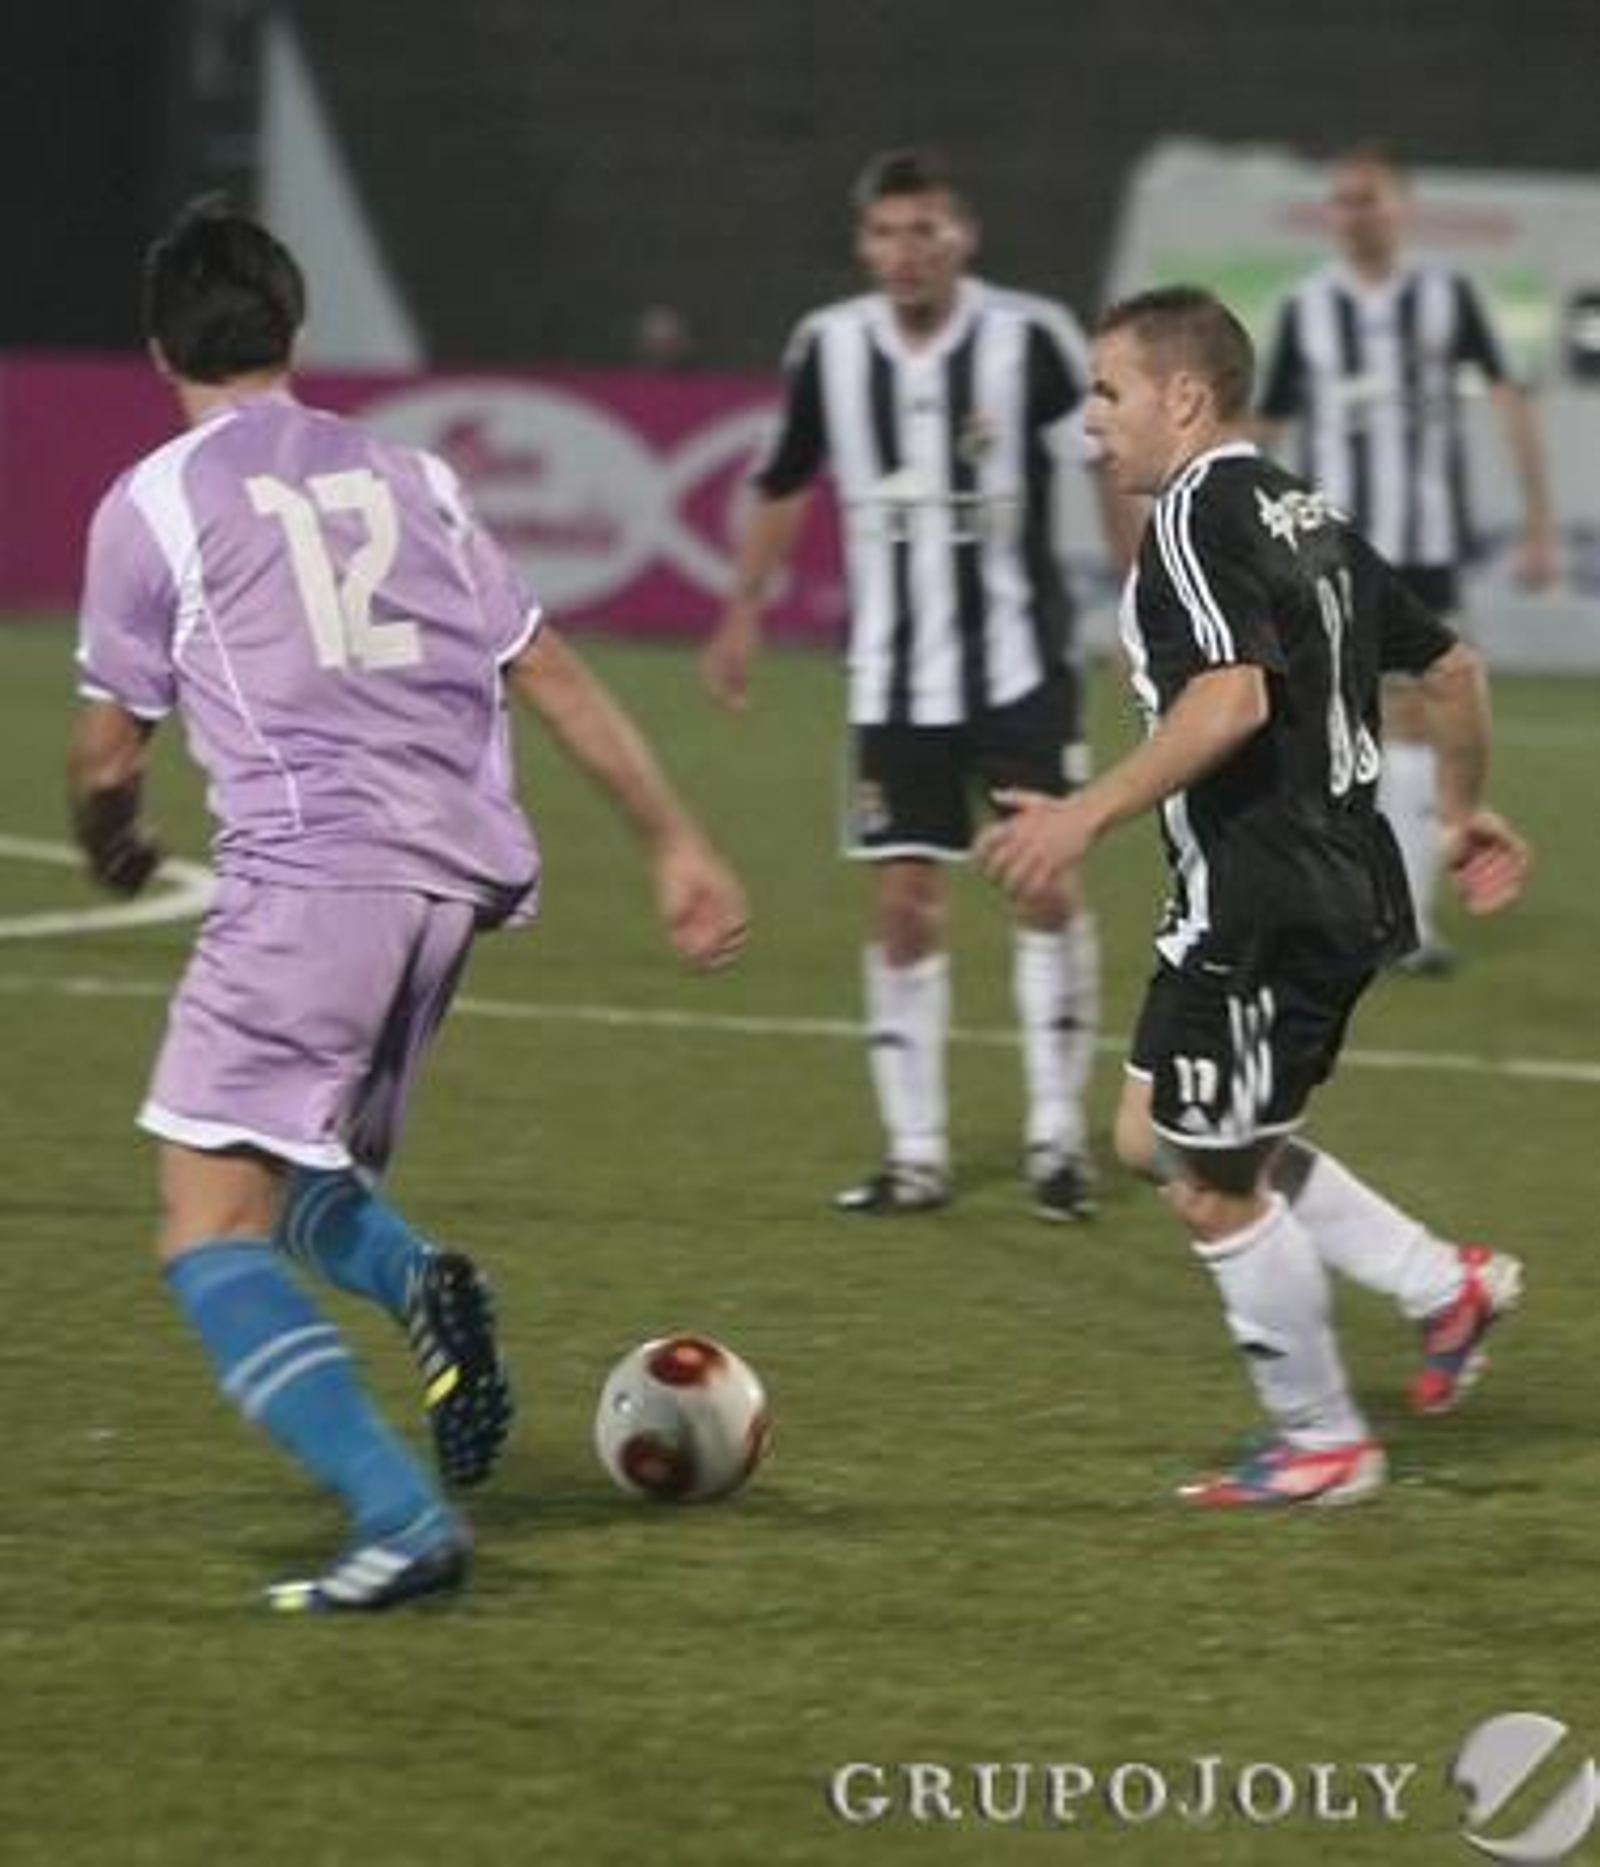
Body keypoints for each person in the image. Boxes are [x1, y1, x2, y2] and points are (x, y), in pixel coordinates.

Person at [67, 199, 749, 1610]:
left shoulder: (152, 499)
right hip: (451, 886)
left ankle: (398, 1516)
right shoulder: (414, 478)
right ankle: (424, 1276)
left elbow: (105, 751)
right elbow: (547, 670)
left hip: (313, 877)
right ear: (295, 330)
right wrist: (676, 841)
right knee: (301, 1173)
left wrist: (114, 838)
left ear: (157, 349)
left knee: (206, 1224)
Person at [978, 285, 1529, 1506]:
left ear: (1182, 394)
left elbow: (1229, 701)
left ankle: (1322, 1438)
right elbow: (1450, 666)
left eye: (1108, 391)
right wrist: (1459, 809)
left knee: (1207, 1181)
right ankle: (1446, 1284)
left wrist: (1079, 815)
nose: (1090, 422)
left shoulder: (1190, 517)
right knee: (1153, 1133)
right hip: (1323, 884)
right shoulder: (1301, 508)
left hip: (1266, 897)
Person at [702, 148, 1134, 1221]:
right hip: (893, 679)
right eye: (887, 232)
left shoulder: (1027, 335)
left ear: (962, 237)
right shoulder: (829, 347)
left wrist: (1144, 597)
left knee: (1044, 884)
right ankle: (916, 1150)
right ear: (864, 244)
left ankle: (1053, 1138)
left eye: (924, 230)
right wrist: (743, 608)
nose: (906, 251)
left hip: (1020, 666)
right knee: (903, 903)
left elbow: (1104, 462)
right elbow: (785, 476)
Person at [1257, 143, 1557, 975]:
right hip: (1335, 546)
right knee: (1347, 725)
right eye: (1344, 201)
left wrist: (1538, 522)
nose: (1357, 213)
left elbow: (1507, 397)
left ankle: (1405, 916)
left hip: (1423, 547)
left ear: (1402, 206)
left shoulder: (1445, 294)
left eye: (1371, 199)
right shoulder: (1307, 307)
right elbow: (1268, 428)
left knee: (1419, 715)